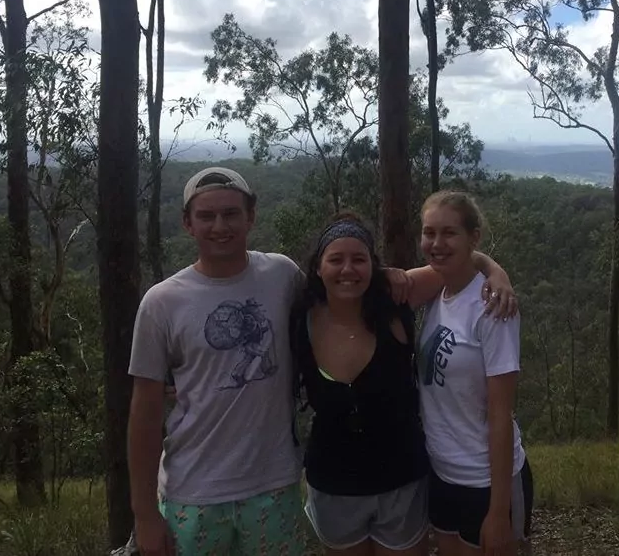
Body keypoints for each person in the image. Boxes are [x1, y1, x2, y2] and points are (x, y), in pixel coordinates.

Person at [127, 167, 517, 556]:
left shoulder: (284, 276)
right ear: (187, 223)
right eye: (206, 216)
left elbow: (451, 263)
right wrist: (144, 514)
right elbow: (144, 410)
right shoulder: (169, 302)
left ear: (251, 217)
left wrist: (494, 272)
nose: (219, 225)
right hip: (206, 490)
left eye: (230, 213)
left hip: (293, 486)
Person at [291, 213, 518, 556]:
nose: (347, 269)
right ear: (318, 268)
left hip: (401, 481)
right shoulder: (301, 318)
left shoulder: (395, 300)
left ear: (373, 265)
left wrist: (496, 273)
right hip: (334, 485)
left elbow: (457, 260)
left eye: (359, 259)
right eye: (336, 259)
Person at [416, 191, 533, 556]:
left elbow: (500, 414)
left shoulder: (493, 308)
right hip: (443, 475)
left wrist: (499, 511)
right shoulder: (437, 291)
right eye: (429, 232)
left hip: (486, 481)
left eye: (449, 233)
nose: (437, 243)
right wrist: (491, 265)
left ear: (473, 237)